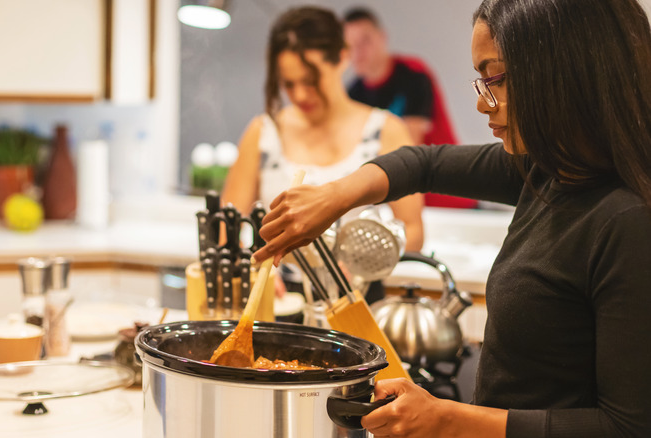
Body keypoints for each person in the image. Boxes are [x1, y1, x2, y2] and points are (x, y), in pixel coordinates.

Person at [255, 0, 651, 436]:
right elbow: (424, 164)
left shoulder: (627, 221)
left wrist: (447, 418)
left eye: (495, 77)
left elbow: (627, 428)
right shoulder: (551, 169)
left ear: (563, 70)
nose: (484, 104)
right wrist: (334, 196)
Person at [221, 6, 425, 297]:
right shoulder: (263, 133)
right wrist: (247, 266)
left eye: (311, 81)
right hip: (279, 302)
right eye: (288, 84)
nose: (300, 95)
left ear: (343, 57)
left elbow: (413, 229)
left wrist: (363, 266)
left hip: (357, 297)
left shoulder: (385, 131)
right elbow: (225, 228)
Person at [343, 6, 479, 209]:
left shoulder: (413, 75)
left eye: (365, 41)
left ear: (382, 37)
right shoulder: (354, 93)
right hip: (404, 199)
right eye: (350, 45)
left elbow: (408, 145)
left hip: (447, 194)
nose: (358, 52)